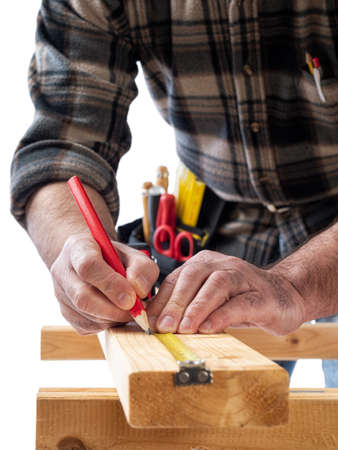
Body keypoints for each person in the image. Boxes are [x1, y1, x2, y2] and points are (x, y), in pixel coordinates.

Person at [10, 1, 338, 386]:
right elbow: (61, 149)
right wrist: (79, 248)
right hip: (219, 208)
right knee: (200, 411)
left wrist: (295, 284)